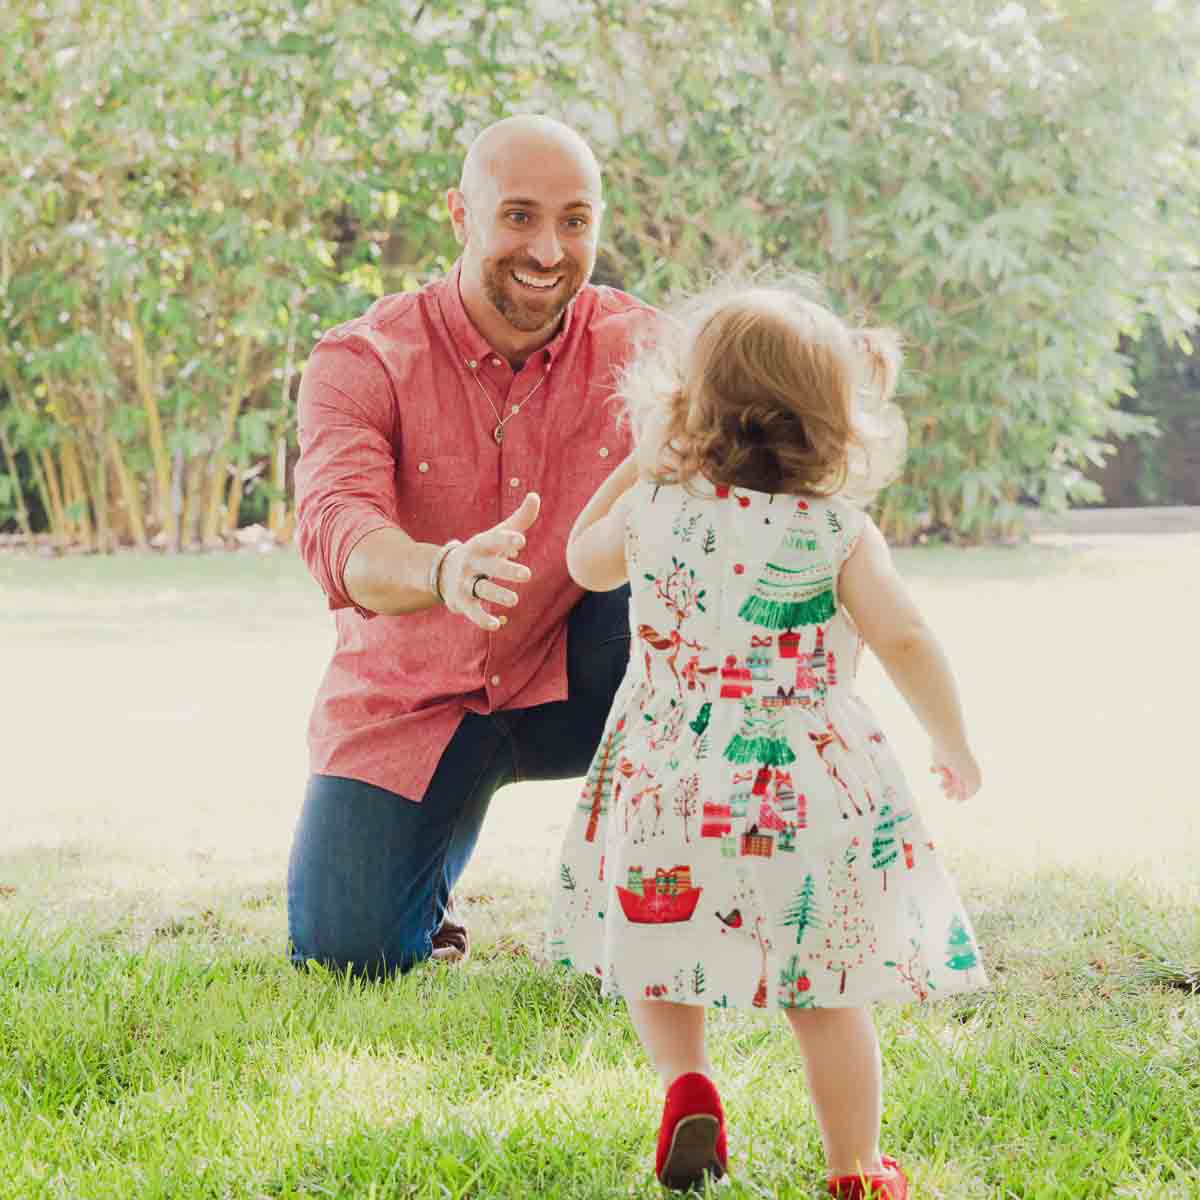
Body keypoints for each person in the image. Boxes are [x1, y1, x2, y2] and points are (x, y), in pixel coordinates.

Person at [547, 279, 987, 1198]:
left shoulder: (655, 510)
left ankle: (688, 1083)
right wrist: (953, 742)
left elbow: (581, 559)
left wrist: (639, 465)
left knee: (660, 951)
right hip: (798, 786)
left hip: (665, 773)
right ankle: (857, 1170)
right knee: (825, 988)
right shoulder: (837, 529)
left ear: (685, 403)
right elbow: (904, 638)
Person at [288, 115, 657, 977]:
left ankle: (696, 897)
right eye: (520, 216)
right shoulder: (361, 360)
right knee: (348, 950)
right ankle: (429, 854)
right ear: (460, 214)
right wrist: (444, 568)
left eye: (575, 220)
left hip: (586, 673)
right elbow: (339, 530)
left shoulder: (648, 353)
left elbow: (762, 422)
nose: (548, 248)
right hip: (418, 697)